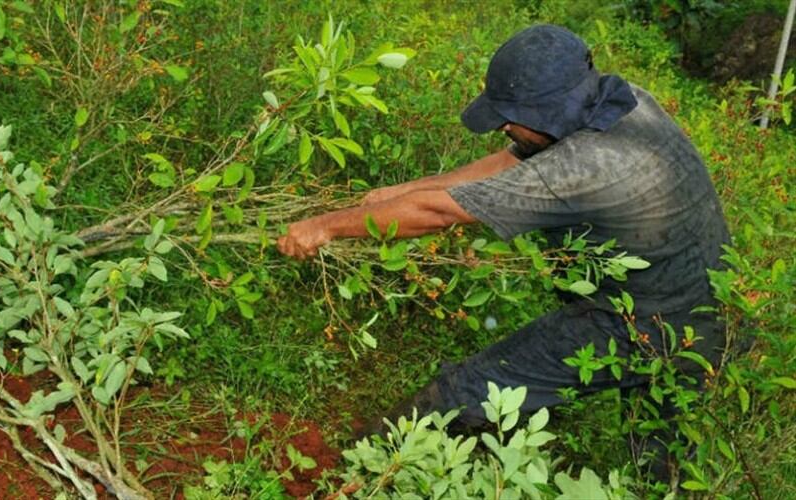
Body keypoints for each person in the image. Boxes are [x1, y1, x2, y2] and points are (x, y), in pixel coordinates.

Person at [276, 24, 729, 478]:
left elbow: (440, 214)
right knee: (665, 468)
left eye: (511, 116)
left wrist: (325, 227)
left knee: (467, 392)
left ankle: (352, 472)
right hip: (703, 312)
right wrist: (407, 188)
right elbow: (515, 159)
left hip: (644, 322)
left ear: (551, 111)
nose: (504, 126)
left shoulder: (587, 166)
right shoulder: (620, 101)